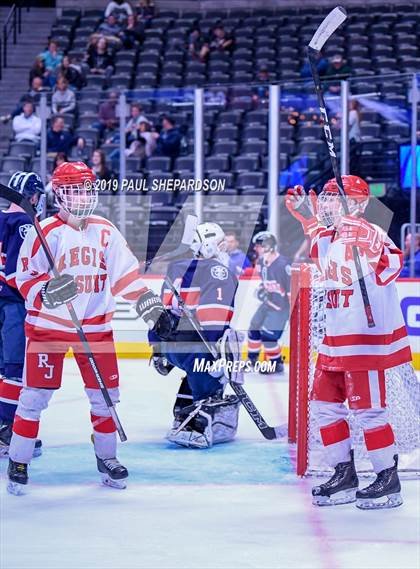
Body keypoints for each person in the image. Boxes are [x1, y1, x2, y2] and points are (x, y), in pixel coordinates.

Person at [6, 161, 174, 494]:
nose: (82, 197)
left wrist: (154, 311)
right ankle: (19, 459)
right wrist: (47, 291)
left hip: (95, 327)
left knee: (105, 398)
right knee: (35, 396)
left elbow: (126, 279)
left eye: (86, 189)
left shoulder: (105, 230)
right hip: (48, 328)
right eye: (74, 190)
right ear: (59, 194)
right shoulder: (46, 231)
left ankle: (107, 458)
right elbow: (23, 278)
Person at [285, 175, 412, 510]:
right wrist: (309, 219)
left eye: (333, 198)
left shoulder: (371, 232)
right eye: (325, 197)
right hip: (334, 339)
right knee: (325, 407)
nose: (326, 203)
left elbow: (393, 264)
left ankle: (387, 478)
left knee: (369, 411)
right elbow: (321, 246)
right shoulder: (331, 236)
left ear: (358, 204)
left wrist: (367, 238)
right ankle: (344, 474)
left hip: (364, 340)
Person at [149, 222, 242, 449]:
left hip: (168, 347)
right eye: (220, 244)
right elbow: (213, 322)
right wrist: (222, 358)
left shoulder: (176, 267)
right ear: (209, 246)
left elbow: (160, 315)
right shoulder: (219, 271)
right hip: (196, 349)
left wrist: (158, 349)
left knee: (196, 367)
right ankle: (198, 420)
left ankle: (183, 412)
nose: (224, 248)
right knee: (214, 364)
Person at [0, 172, 45, 458]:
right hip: (14, 305)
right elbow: (20, 273)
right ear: (31, 196)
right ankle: (8, 429)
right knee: (15, 368)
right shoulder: (25, 224)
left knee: (3, 367)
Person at [247, 232, 290, 375]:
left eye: (259, 246)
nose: (256, 249)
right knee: (253, 328)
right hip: (268, 303)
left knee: (269, 338)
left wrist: (292, 311)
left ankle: (276, 364)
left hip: (280, 307)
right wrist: (261, 289)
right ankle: (251, 360)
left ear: (269, 246)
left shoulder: (284, 264)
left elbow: (291, 290)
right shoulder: (260, 262)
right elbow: (265, 282)